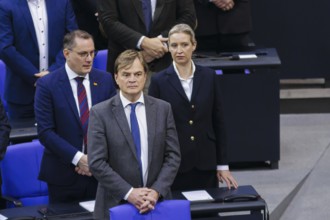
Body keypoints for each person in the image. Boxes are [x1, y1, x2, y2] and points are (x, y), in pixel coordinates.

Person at [88, 49, 181, 220]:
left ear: (145, 76)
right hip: (115, 205)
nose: (132, 79)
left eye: (138, 74)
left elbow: (173, 156)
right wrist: (129, 193)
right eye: (126, 74)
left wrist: (156, 191)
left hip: (156, 204)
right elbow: (96, 162)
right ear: (116, 77)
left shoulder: (163, 109)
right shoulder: (99, 113)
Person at [149, 24, 238, 191]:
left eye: (184, 44)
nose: (179, 50)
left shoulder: (209, 76)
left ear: (194, 45)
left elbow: (218, 121)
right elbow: (155, 129)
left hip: (206, 161)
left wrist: (223, 165)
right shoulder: (159, 81)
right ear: (168, 48)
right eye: (174, 45)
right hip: (174, 165)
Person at [34, 30, 117, 203]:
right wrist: (79, 159)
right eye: (83, 54)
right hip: (63, 176)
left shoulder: (105, 80)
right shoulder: (47, 85)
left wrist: (96, 159)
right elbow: (46, 132)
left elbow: (114, 125)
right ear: (66, 54)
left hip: (100, 173)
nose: (89, 59)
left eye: (92, 53)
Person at [0, 0, 78, 120]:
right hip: (22, 93)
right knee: (21, 137)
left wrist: (52, 72)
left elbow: (72, 40)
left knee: (64, 136)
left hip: (59, 89)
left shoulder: (63, 3)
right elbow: (5, 48)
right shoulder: (6, 4)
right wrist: (34, 76)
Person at [97, 0, 197, 90]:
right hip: (125, 68)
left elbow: (188, 17)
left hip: (167, 66)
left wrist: (160, 43)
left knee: (167, 109)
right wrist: (143, 42)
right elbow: (107, 21)